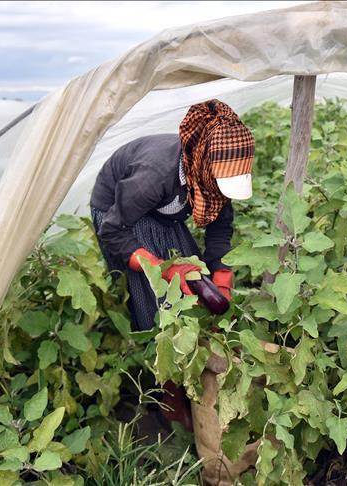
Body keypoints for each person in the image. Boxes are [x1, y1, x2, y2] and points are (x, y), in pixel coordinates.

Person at [90, 99, 255, 430]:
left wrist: (221, 274)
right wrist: (160, 268)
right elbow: (113, 229)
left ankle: (192, 366)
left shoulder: (210, 177)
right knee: (154, 300)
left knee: (193, 278)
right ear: (202, 166)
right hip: (119, 216)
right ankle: (168, 397)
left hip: (159, 211)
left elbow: (220, 228)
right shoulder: (155, 174)